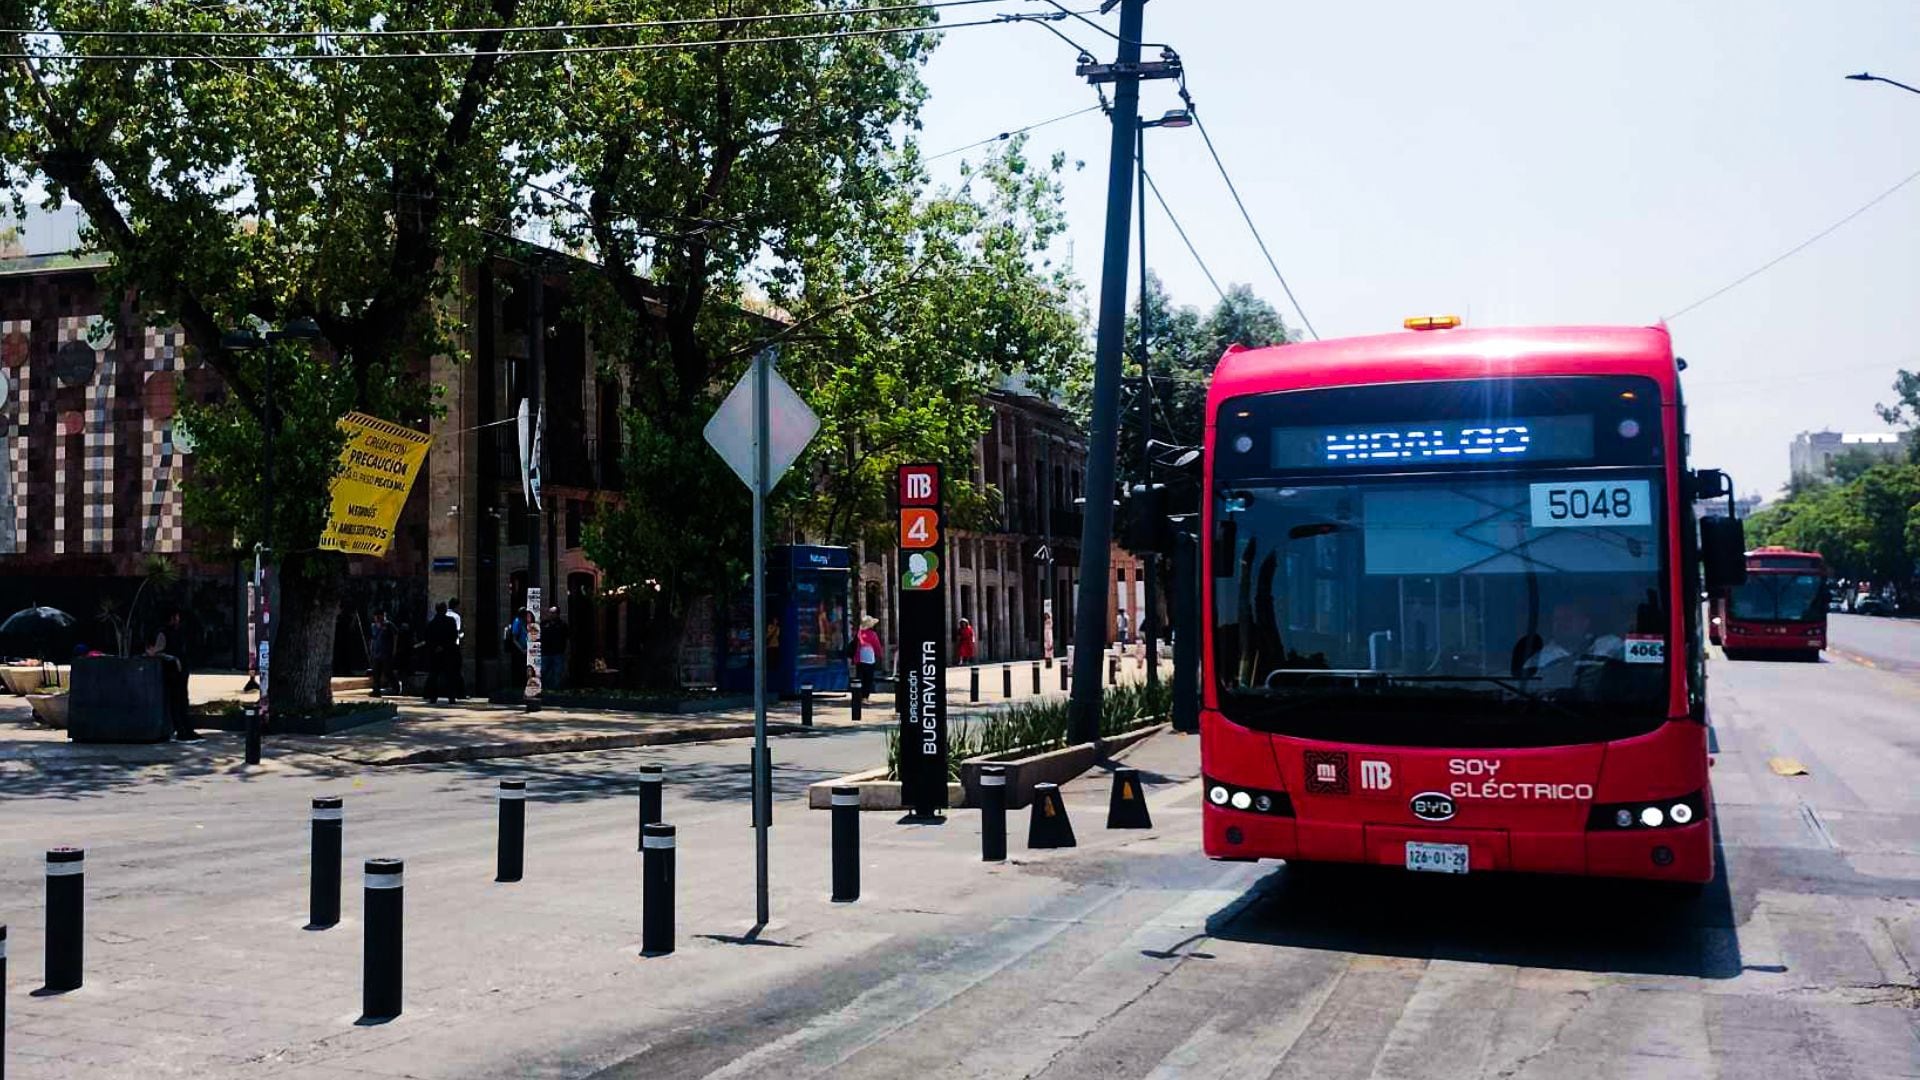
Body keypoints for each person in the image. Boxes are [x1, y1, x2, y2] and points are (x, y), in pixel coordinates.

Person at [1522, 600, 1624, 689]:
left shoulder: (1611, 644)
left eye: (1568, 619)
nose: (1561, 624)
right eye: (1557, 619)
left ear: (1585, 622)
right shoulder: (1538, 660)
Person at [143, 607, 200, 741]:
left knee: (183, 700)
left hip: (181, 669)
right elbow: (156, 652)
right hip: (173, 670)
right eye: (176, 616)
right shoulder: (163, 633)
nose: (178, 619)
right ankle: (181, 730)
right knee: (176, 700)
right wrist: (174, 659)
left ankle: (187, 729)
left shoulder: (178, 632)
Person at [422, 602, 459, 704]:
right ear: (445, 609)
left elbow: (427, 638)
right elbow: (454, 635)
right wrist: (445, 646)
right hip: (448, 652)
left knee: (434, 675)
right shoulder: (450, 621)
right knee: (450, 675)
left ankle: (433, 697)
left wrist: (435, 647)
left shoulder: (431, 623)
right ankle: (451, 697)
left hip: (435, 653)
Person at [542, 605, 571, 690]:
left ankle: (556, 690)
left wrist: (568, 651)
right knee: (544, 672)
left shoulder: (562, 625)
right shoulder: (544, 624)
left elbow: (567, 638)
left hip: (558, 653)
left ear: (557, 614)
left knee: (557, 672)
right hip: (545, 653)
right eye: (550, 613)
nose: (550, 615)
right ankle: (545, 689)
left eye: (553, 613)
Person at [854, 614, 882, 702]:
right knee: (868, 679)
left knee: (860, 678)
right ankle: (865, 697)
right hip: (869, 659)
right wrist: (879, 655)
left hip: (859, 659)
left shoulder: (859, 633)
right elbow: (877, 646)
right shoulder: (872, 634)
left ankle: (858, 696)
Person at [368, 610, 396, 698]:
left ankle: (395, 687)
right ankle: (376, 690)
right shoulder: (373, 626)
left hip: (386, 652)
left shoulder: (389, 625)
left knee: (387, 671)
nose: (378, 618)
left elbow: (395, 635)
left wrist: (394, 649)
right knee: (376, 672)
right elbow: (372, 638)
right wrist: (371, 649)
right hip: (376, 652)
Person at [504, 608, 530, 689]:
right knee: (520, 669)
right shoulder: (517, 621)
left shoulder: (524, 622)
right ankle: (518, 686)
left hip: (525, 650)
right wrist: (521, 649)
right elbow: (514, 639)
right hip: (520, 651)